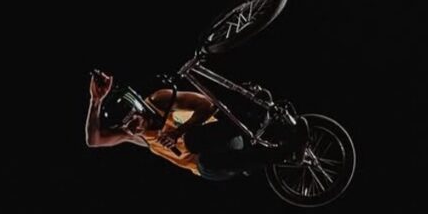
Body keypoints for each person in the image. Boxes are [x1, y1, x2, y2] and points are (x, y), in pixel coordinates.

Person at [85, 70, 307, 181]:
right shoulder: (134, 135)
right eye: (127, 128)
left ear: (137, 108)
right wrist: (95, 101)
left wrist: (178, 132)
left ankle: (265, 117)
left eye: (132, 122)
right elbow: (94, 141)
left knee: (192, 139)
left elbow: (207, 104)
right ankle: (285, 153)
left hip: (223, 135)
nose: (133, 129)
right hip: (213, 163)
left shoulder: (160, 100)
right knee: (203, 163)